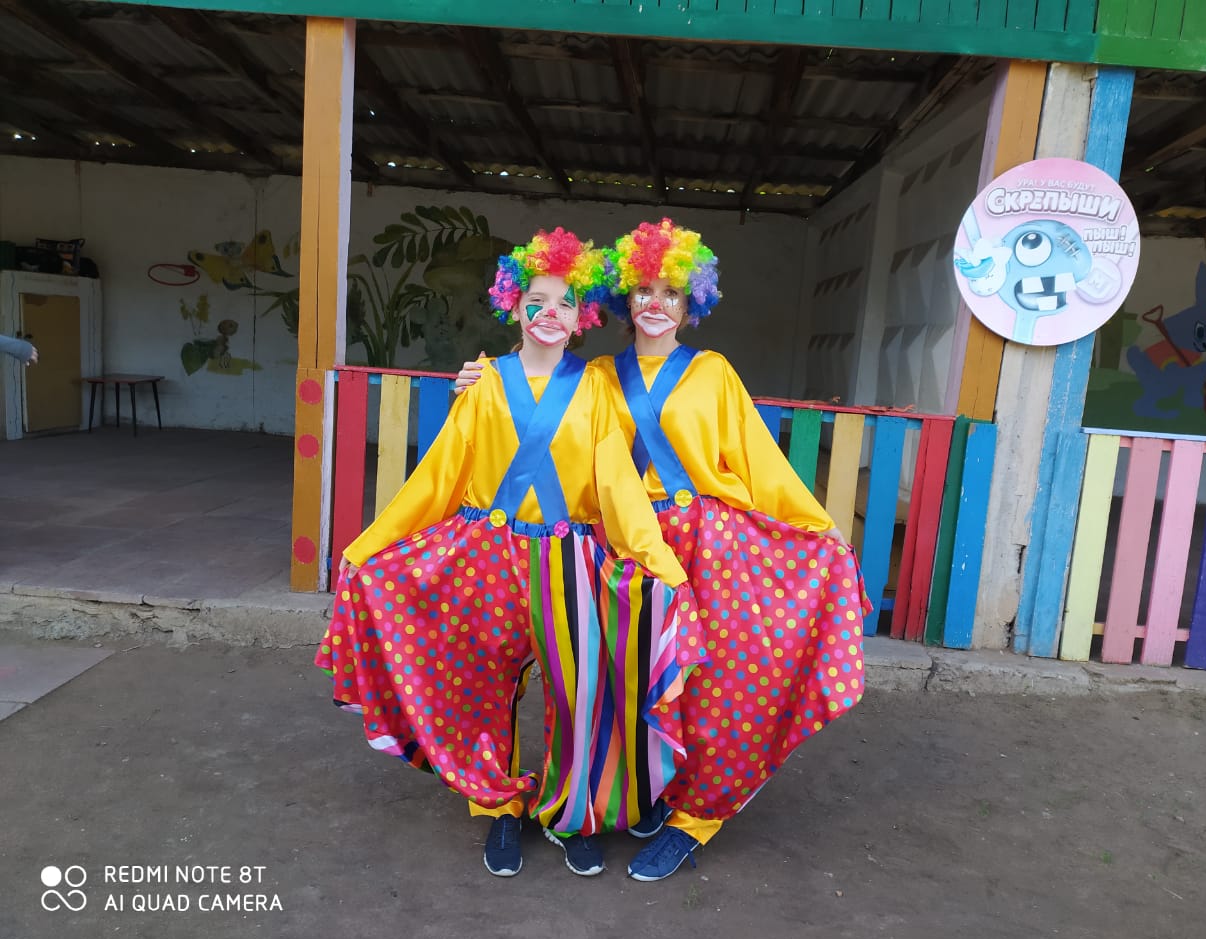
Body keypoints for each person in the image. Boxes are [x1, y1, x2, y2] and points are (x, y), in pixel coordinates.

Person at [455, 218, 872, 881]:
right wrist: (480, 377)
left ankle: (695, 817)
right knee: (619, 685)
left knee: (712, 682)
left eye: (671, 293)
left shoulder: (713, 373)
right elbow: (535, 392)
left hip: (706, 547)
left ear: (691, 305)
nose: (655, 303)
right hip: (616, 545)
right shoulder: (593, 375)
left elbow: (762, 464)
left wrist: (817, 528)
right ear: (622, 301)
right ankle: (631, 795)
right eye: (643, 291)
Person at [317, 228, 702, 879]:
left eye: (564, 304)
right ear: (513, 305)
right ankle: (497, 806)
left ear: (584, 319)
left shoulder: (598, 388)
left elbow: (617, 486)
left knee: (578, 693)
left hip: (571, 561)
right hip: (483, 555)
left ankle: (566, 813)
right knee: (479, 689)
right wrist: (369, 545)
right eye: (537, 301)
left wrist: (662, 564)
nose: (549, 314)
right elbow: (437, 476)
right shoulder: (484, 384)